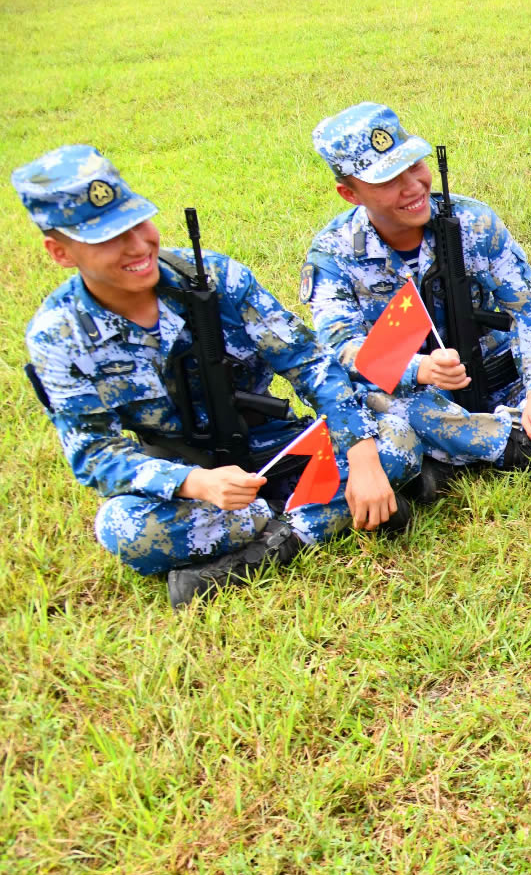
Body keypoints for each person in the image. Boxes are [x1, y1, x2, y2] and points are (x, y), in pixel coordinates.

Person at [15, 145, 419, 607]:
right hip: (187, 476)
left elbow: (308, 362)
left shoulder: (214, 277)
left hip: (275, 448)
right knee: (125, 530)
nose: (135, 246)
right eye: (107, 239)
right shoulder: (58, 336)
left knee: (397, 440)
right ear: (60, 252)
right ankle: (321, 516)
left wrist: (363, 456)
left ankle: (272, 545)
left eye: (136, 223)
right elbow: (95, 453)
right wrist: (194, 483)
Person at [305, 102, 531, 485]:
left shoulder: (474, 221)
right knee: (377, 404)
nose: (413, 187)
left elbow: (529, 310)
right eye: (388, 181)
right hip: (419, 396)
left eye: (414, 166)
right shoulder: (332, 255)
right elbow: (341, 351)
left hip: (502, 379)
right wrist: (418, 369)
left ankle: (452, 454)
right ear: (349, 194)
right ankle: (521, 444)